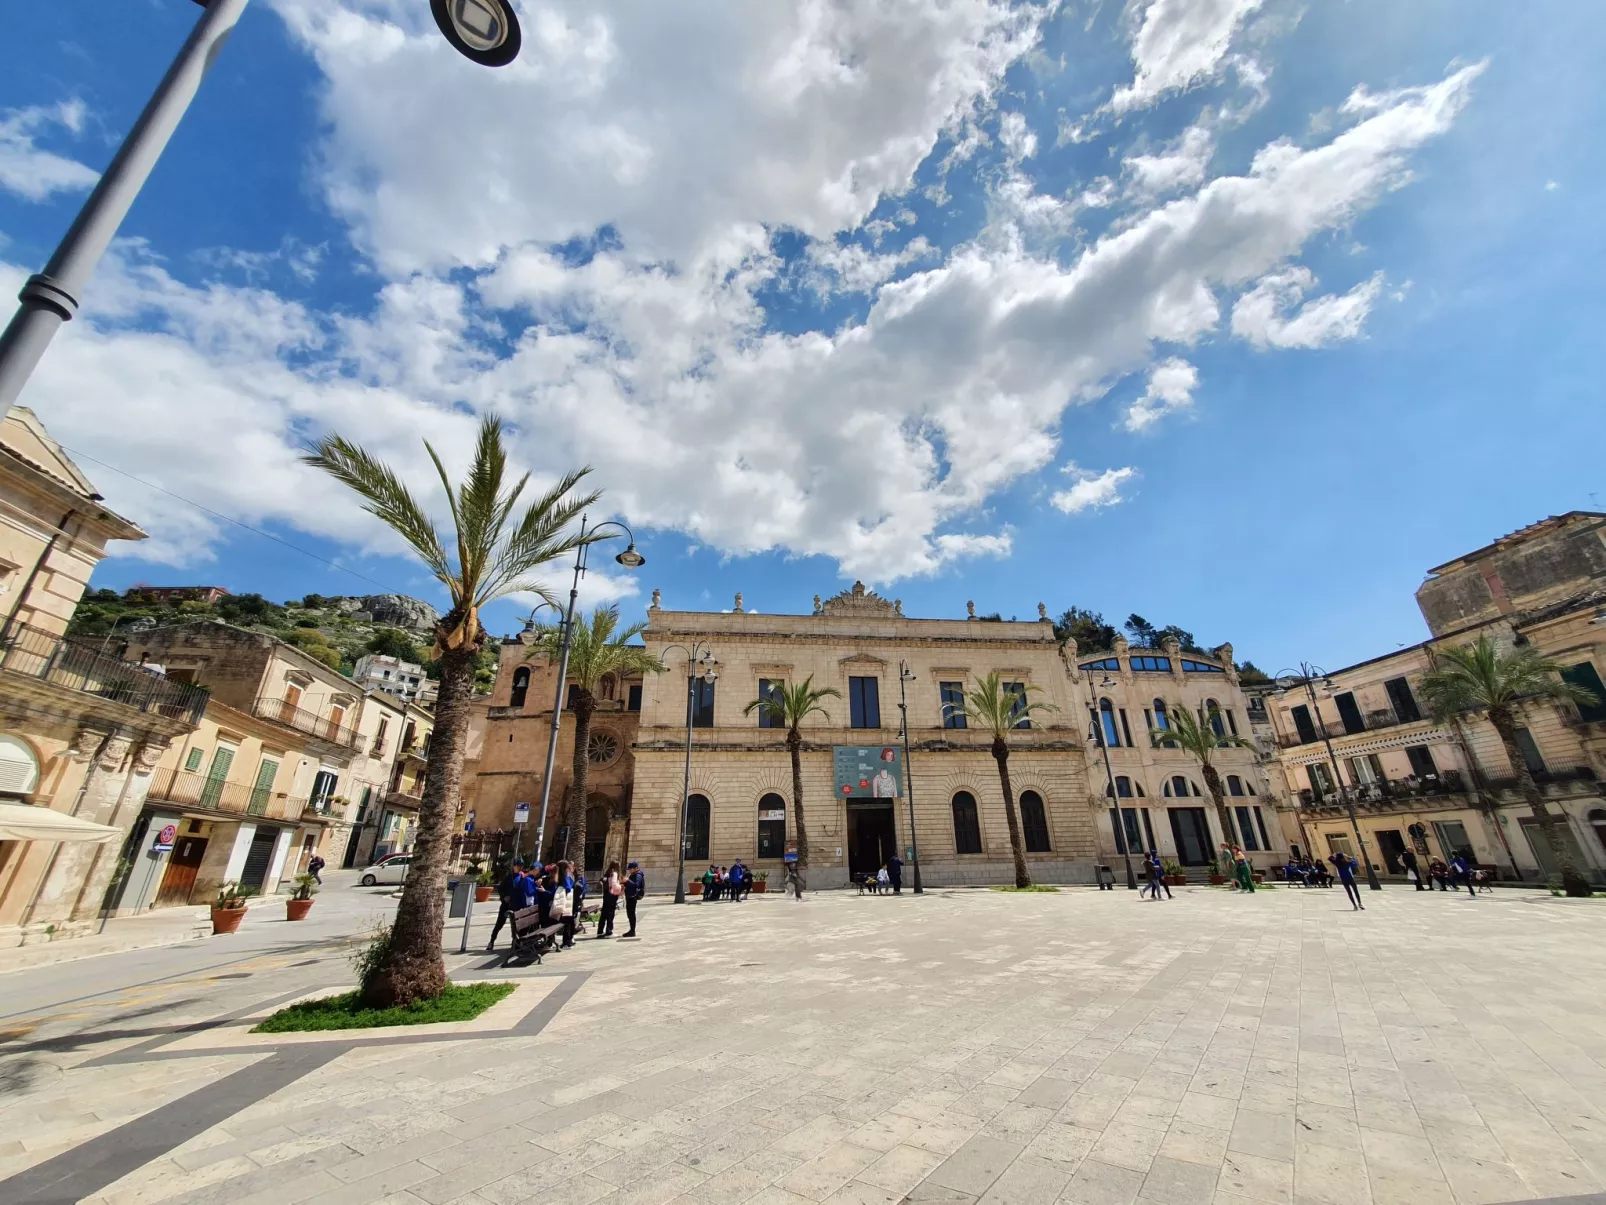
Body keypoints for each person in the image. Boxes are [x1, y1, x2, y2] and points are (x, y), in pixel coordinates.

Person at [487, 859, 528, 951]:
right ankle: (492, 941)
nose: (520, 867)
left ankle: (516, 942)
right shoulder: (509, 877)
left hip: (517, 904)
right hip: (506, 904)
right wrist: (504, 896)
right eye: (518, 865)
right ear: (514, 866)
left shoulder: (523, 877)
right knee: (500, 923)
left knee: (516, 925)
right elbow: (500, 888)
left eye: (521, 865)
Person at [553, 860, 576, 948]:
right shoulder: (570, 875)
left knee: (566, 921)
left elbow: (567, 887)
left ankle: (567, 942)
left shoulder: (565, 876)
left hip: (565, 901)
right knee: (568, 921)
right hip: (569, 901)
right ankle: (568, 941)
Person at [597, 860, 621, 937]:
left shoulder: (607, 873)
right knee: (610, 913)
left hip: (606, 894)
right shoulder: (614, 873)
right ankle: (609, 931)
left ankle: (600, 931)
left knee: (604, 913)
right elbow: (614, 884)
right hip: (612, 895)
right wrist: (621, 887)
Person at [624, 860, 645, 936]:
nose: (629, 870)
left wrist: (627, 881)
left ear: (635, 868)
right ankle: (631, 930)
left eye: (630, 869)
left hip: (633, 896)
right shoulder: (633, 874)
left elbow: (636, 885)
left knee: (631, 913)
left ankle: (632, 931)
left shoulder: (638, 875)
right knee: (630, 913)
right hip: (630, 895)